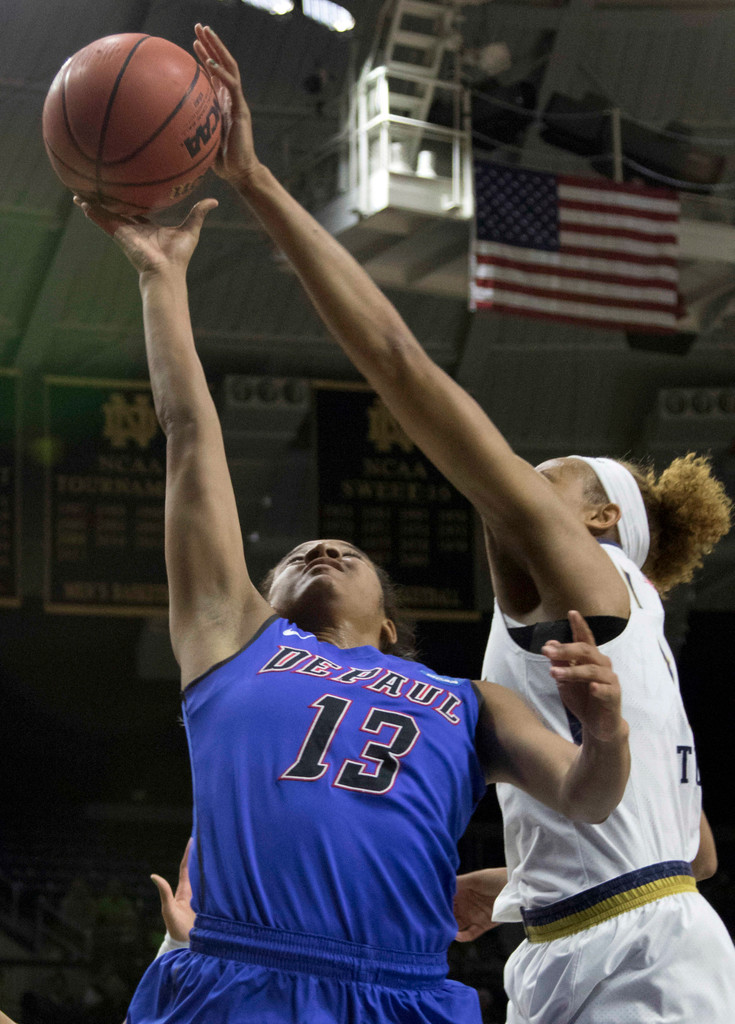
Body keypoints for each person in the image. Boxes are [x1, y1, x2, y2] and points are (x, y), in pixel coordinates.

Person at [186, 23, 735, 1024]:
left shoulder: (577, 570)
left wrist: (261, 185)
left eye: (551, 474)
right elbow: (695, 848)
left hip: (632, 953)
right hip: (599, 933)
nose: (526, 474)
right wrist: (522, 881)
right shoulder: (631, 637)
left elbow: (400, 362)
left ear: (602, 516)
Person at [74, 105, 630, 1024]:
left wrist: (604, 732)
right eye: (296, 552)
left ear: (390, 626)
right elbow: (187, 437)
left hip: (401, 994)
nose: (321, 547)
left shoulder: (465, 702)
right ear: (268, 594)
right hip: (241, 974)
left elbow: (585, 797)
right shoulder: (230, 640)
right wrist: (160, 278)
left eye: (345, 550)